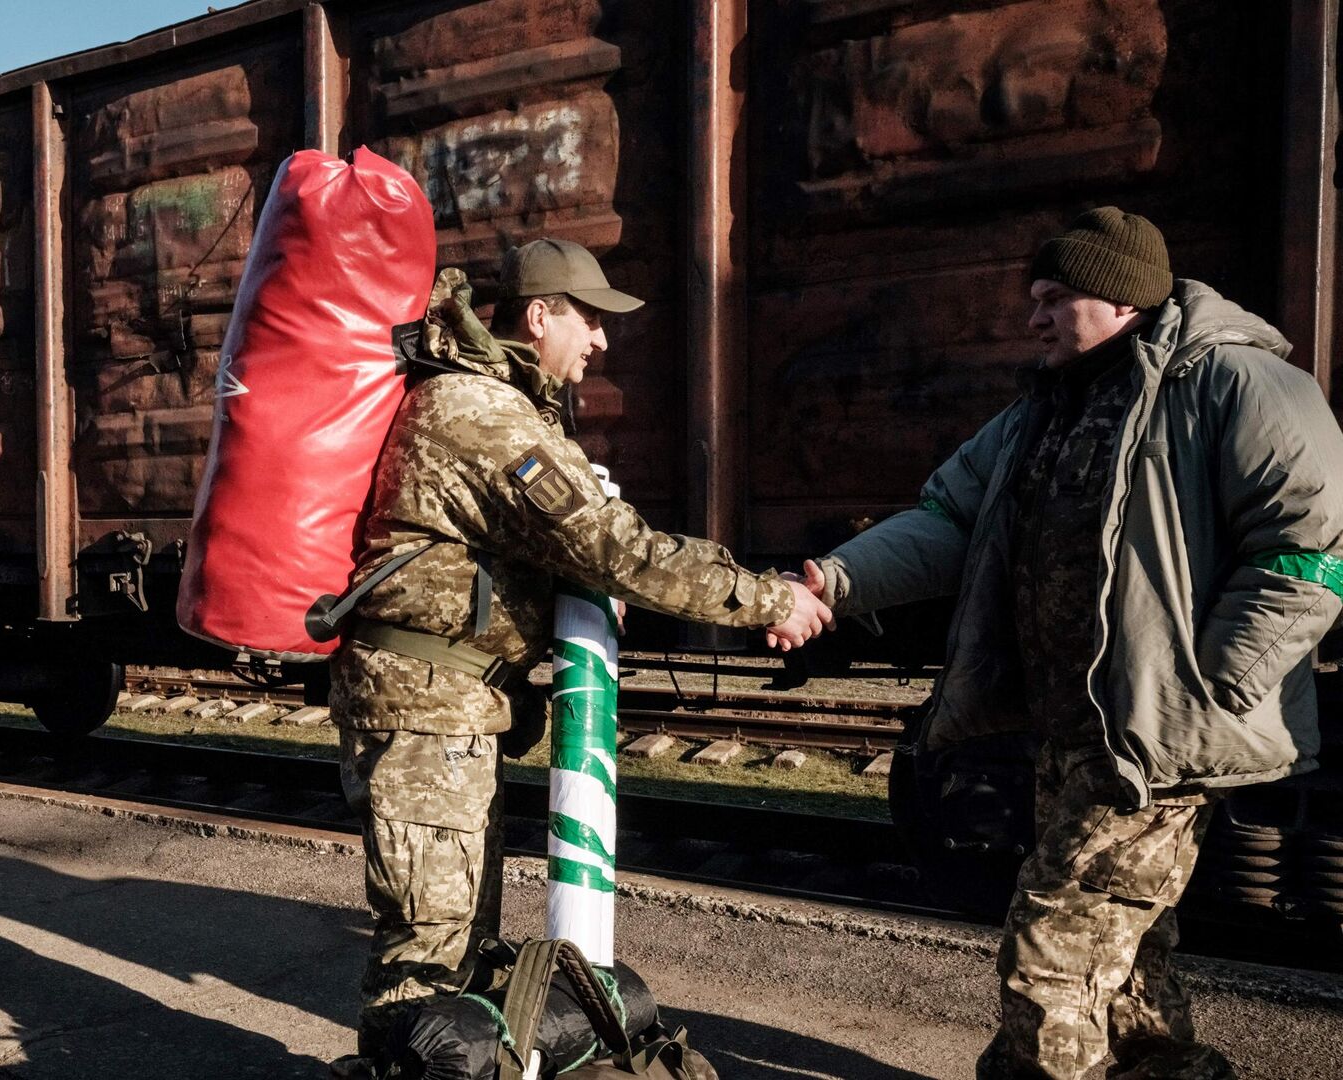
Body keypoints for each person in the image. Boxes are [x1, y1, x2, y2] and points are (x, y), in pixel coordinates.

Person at [798, 207, 1343, 1080]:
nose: (1032, 316)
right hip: (1071, 736)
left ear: (1120, 300)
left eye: (1054, 297)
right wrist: (834, 579)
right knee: (1127, 964)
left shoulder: (1237, 385)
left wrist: (1213, 685)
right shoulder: (1039, 413)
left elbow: (1306, 551)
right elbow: (945, 520)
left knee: (1049, 956)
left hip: (1157, 736)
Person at [329, 239, 830, 1069]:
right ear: (539, 316)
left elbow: (574, 548)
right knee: (427, 956)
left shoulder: (492, 405)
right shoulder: (481, 414)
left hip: (441, 708)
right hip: (425, 712)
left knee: (449, 947)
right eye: (589, 318)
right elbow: (611, 545)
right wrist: (770, 599)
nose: (600, 340)